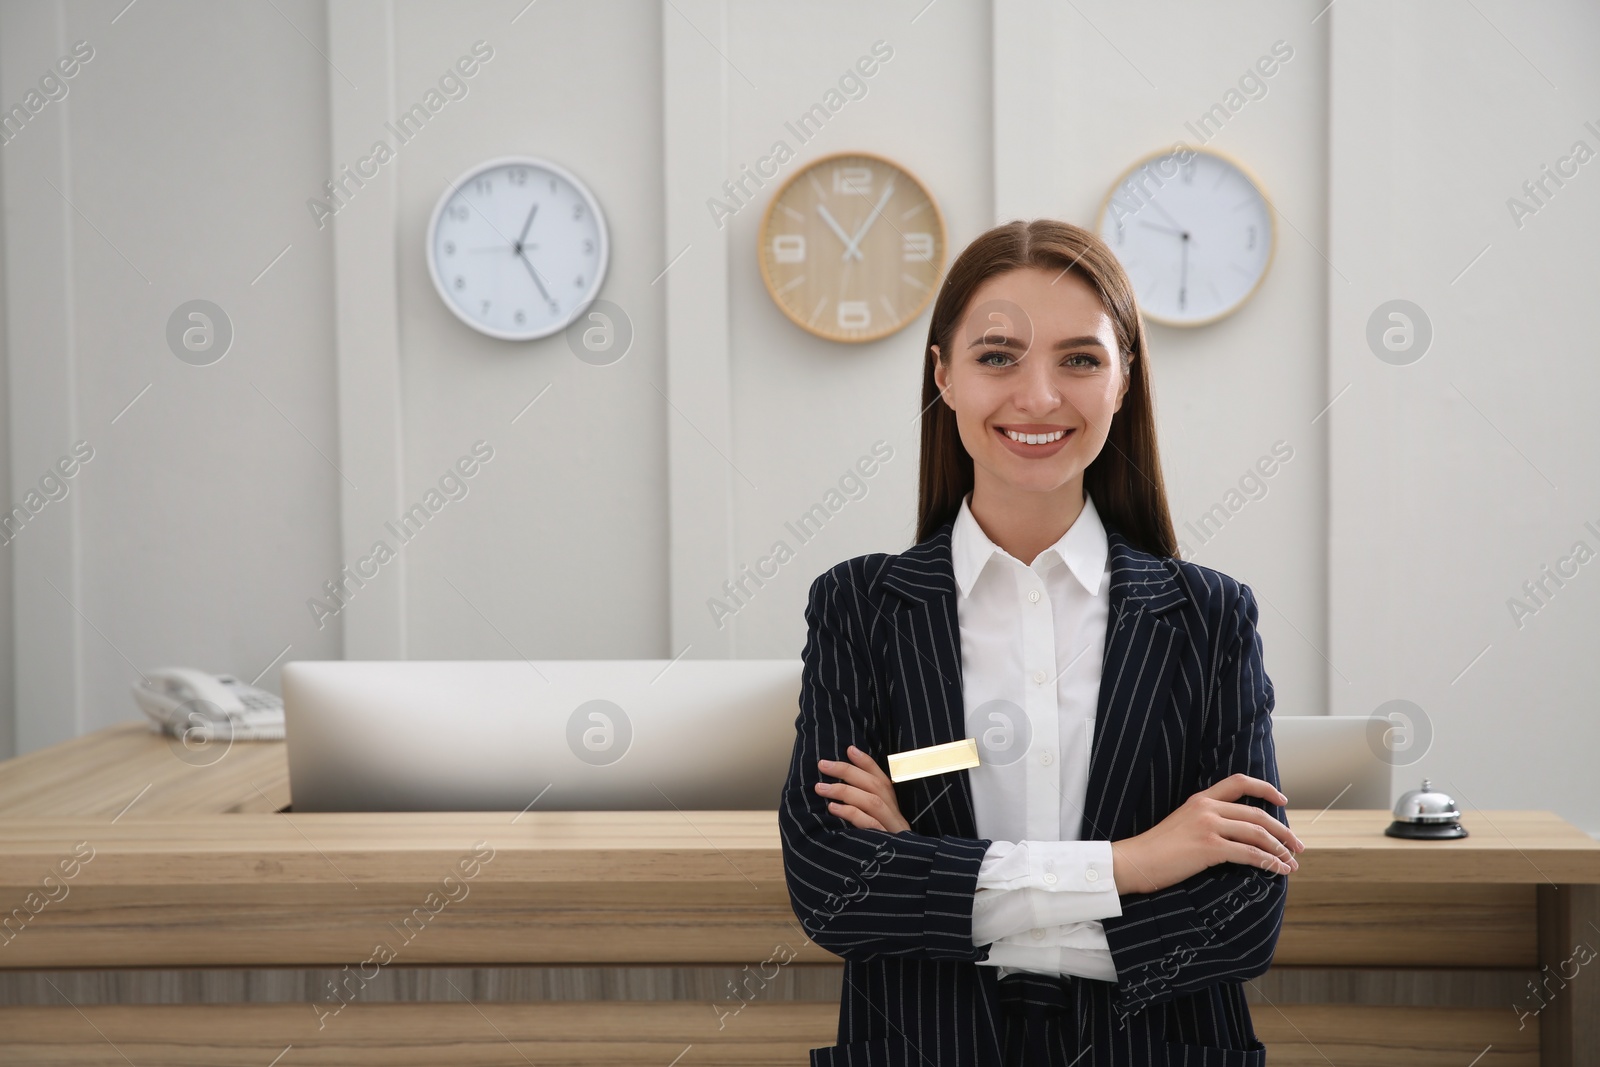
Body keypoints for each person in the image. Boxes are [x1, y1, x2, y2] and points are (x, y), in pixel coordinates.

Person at [778, 218, 1305, 1066]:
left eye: (1080, 358)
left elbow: (1241, 920)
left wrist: (930, 879)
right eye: (996, 356)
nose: (1038, 396)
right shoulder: (859, 607)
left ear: (1124, 378)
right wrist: (1133, 863)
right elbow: (837, 893)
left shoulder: (1209, 617)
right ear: (943, 375)